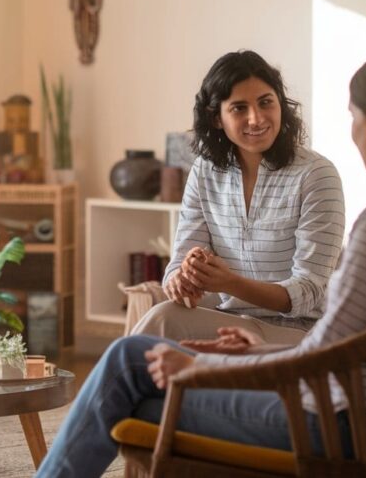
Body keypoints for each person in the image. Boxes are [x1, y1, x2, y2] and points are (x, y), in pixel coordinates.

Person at [35, 47, 366, 478]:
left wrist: (202, 368)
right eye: (239, 108)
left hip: (338, 426)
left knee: (129, 383)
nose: (353, 130)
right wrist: (245, 351)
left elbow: (323, 351)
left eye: (353, 117)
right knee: (134, 370)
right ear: (217, 117)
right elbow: (343, 345)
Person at [131, 50, 345, 346]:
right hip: (230, 321)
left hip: (299, 334)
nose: (256, 118)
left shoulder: (317, 175)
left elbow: (308, 293)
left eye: (265, 102)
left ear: (280, 103)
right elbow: (177, 264)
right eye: (239, 108)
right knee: (164, 316)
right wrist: (181, 281)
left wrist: (230, 283)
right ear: (216, 118)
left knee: (157, 327)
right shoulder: (204, 173)